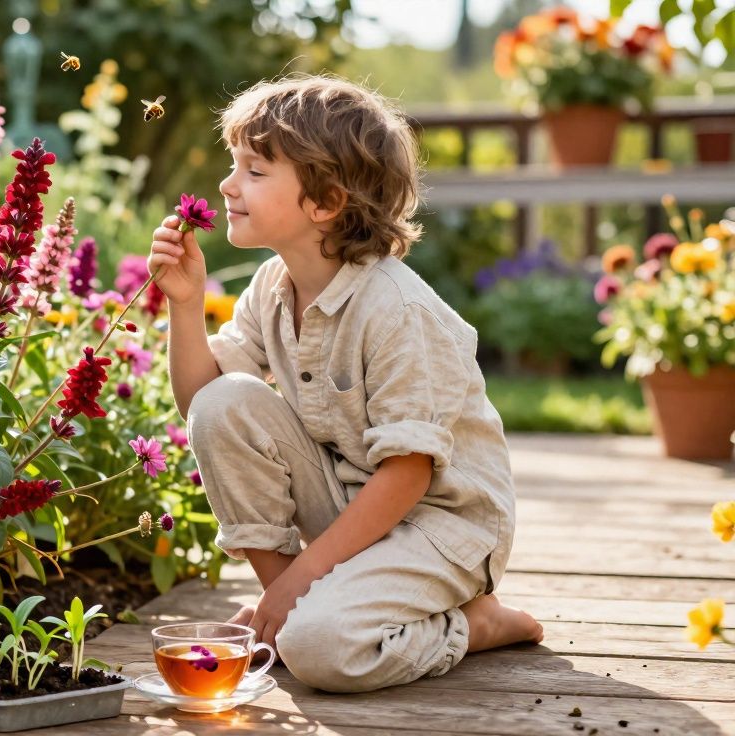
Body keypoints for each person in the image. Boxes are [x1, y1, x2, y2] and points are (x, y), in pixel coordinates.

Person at [147, 75, 543, 694]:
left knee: (323, 651)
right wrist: (186, 304)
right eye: (235, 166)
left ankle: (475, 622)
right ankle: (291, 611)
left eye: (253, 170)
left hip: (440, 527)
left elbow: (409, 473)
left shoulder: (396, 311)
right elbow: (204, 407)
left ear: (325, 202)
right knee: (225, 401)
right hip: (350, 502)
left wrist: (302, 580)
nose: (227, 185)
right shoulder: (271, 287)